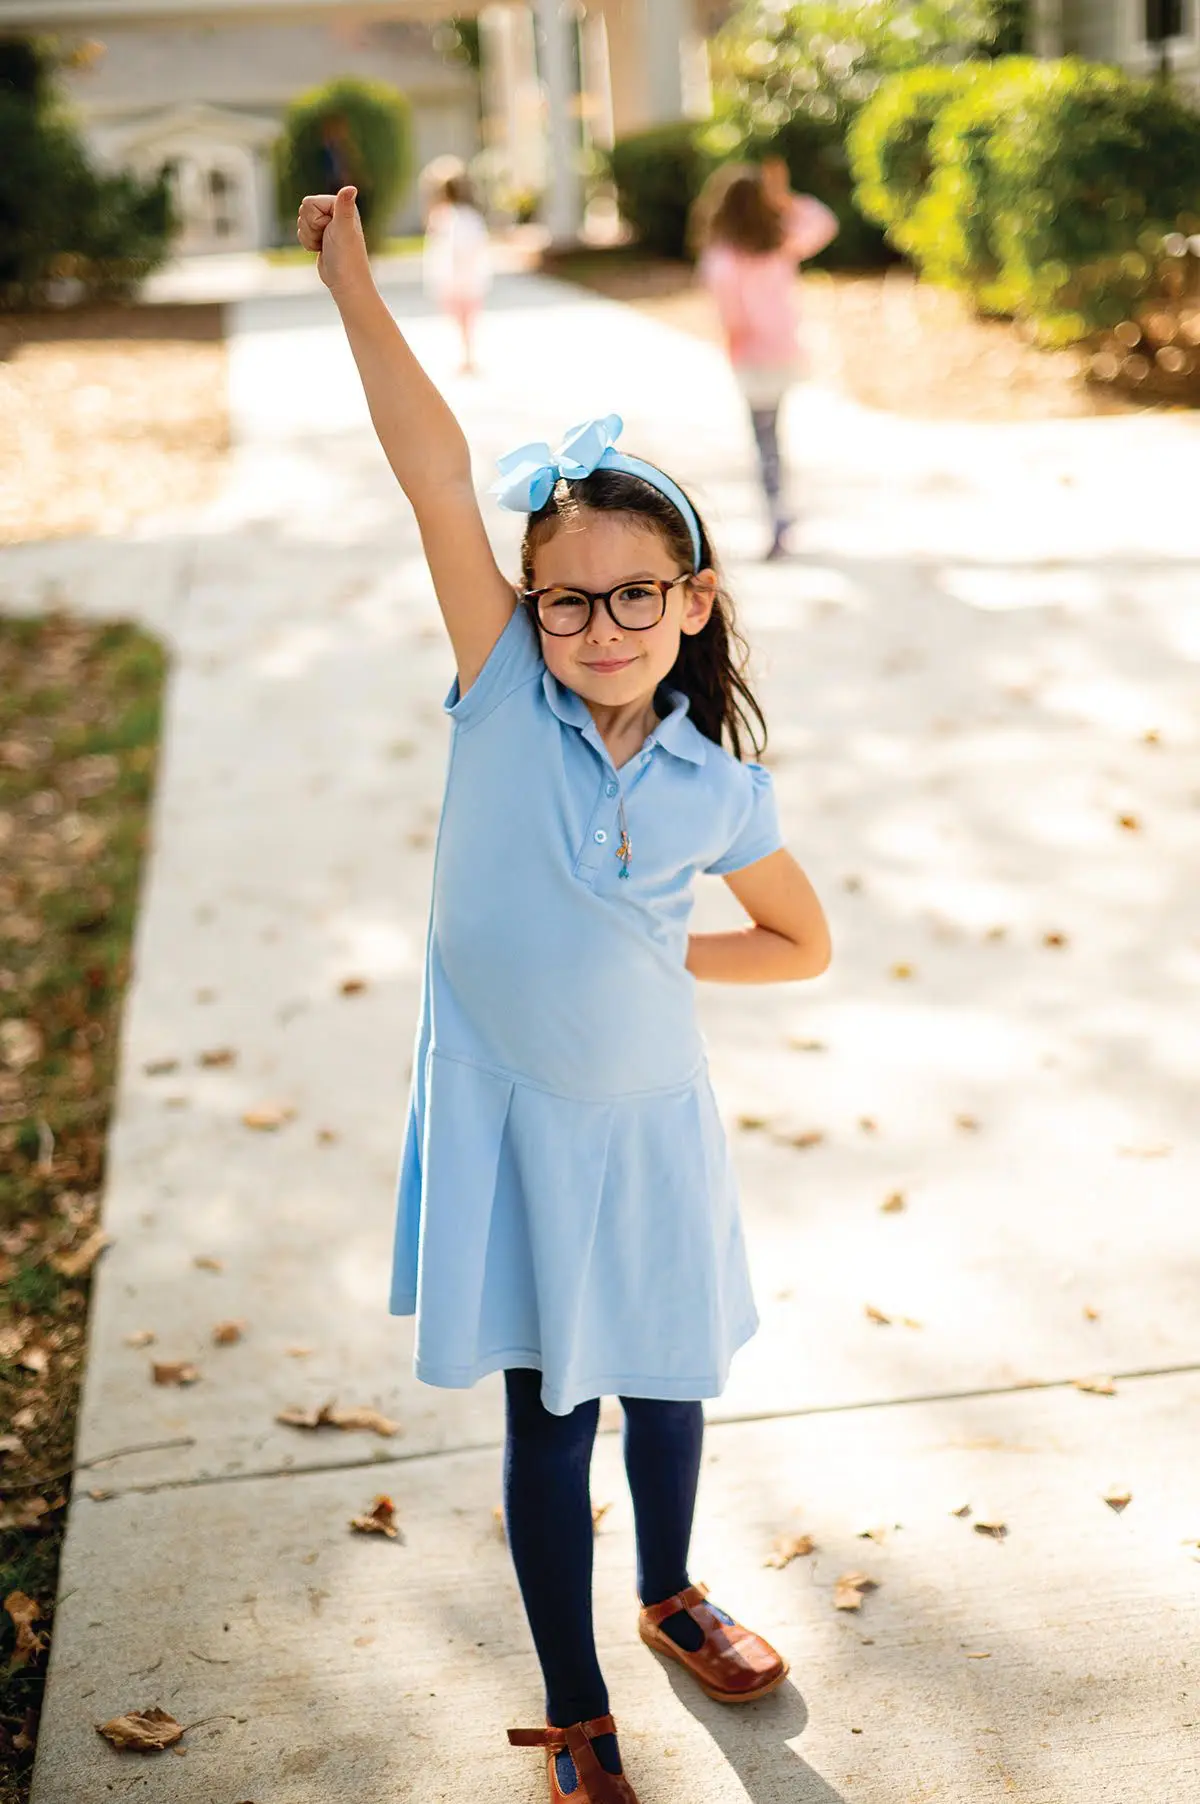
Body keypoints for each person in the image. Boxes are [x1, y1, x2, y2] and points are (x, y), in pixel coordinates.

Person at [297, 184, 832, 1804]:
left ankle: (671, 1588)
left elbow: (798, 940)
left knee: (666, 1381)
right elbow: (434, 469)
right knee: (550, 1421)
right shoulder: (499, 699)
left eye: (635, 594)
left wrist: (660, 954)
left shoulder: (715, 784)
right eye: (567, 596)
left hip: (650, 1125)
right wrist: (352, 284)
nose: (600, 623)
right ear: (530, 612)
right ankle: (576, 1697)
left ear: (695, 598)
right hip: (518, 1125)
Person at [697, 157, 838, 560]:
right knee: (774, 434)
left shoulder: (723, 258)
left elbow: (731, 317)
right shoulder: (779, 243)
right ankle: (781, 512)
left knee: (764, 439)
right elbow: (824, 222)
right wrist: (786, 200)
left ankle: (776, 515)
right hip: (785, 352)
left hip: (752, 358)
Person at [422, 170, 492, 375]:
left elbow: (445, 249)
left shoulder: (445, 216)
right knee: (467, 319)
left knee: (462, 318)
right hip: (468, 276)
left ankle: (466, 356)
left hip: (456, 278)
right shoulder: (470, 216)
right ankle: (467, 355)